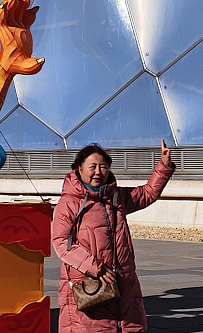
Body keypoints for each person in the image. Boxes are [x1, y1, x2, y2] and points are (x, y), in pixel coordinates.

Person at [52, 140, 175, 332]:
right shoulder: (69, 203)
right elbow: (61, 243)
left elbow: (148, 193)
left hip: (123, 282)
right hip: (89, 284)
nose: (98, 172)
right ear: (79, 168)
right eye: (92, 167)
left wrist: (164, 166)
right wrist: (96, 268)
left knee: (127, 326)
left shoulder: (117, 197)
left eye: (103, 167)